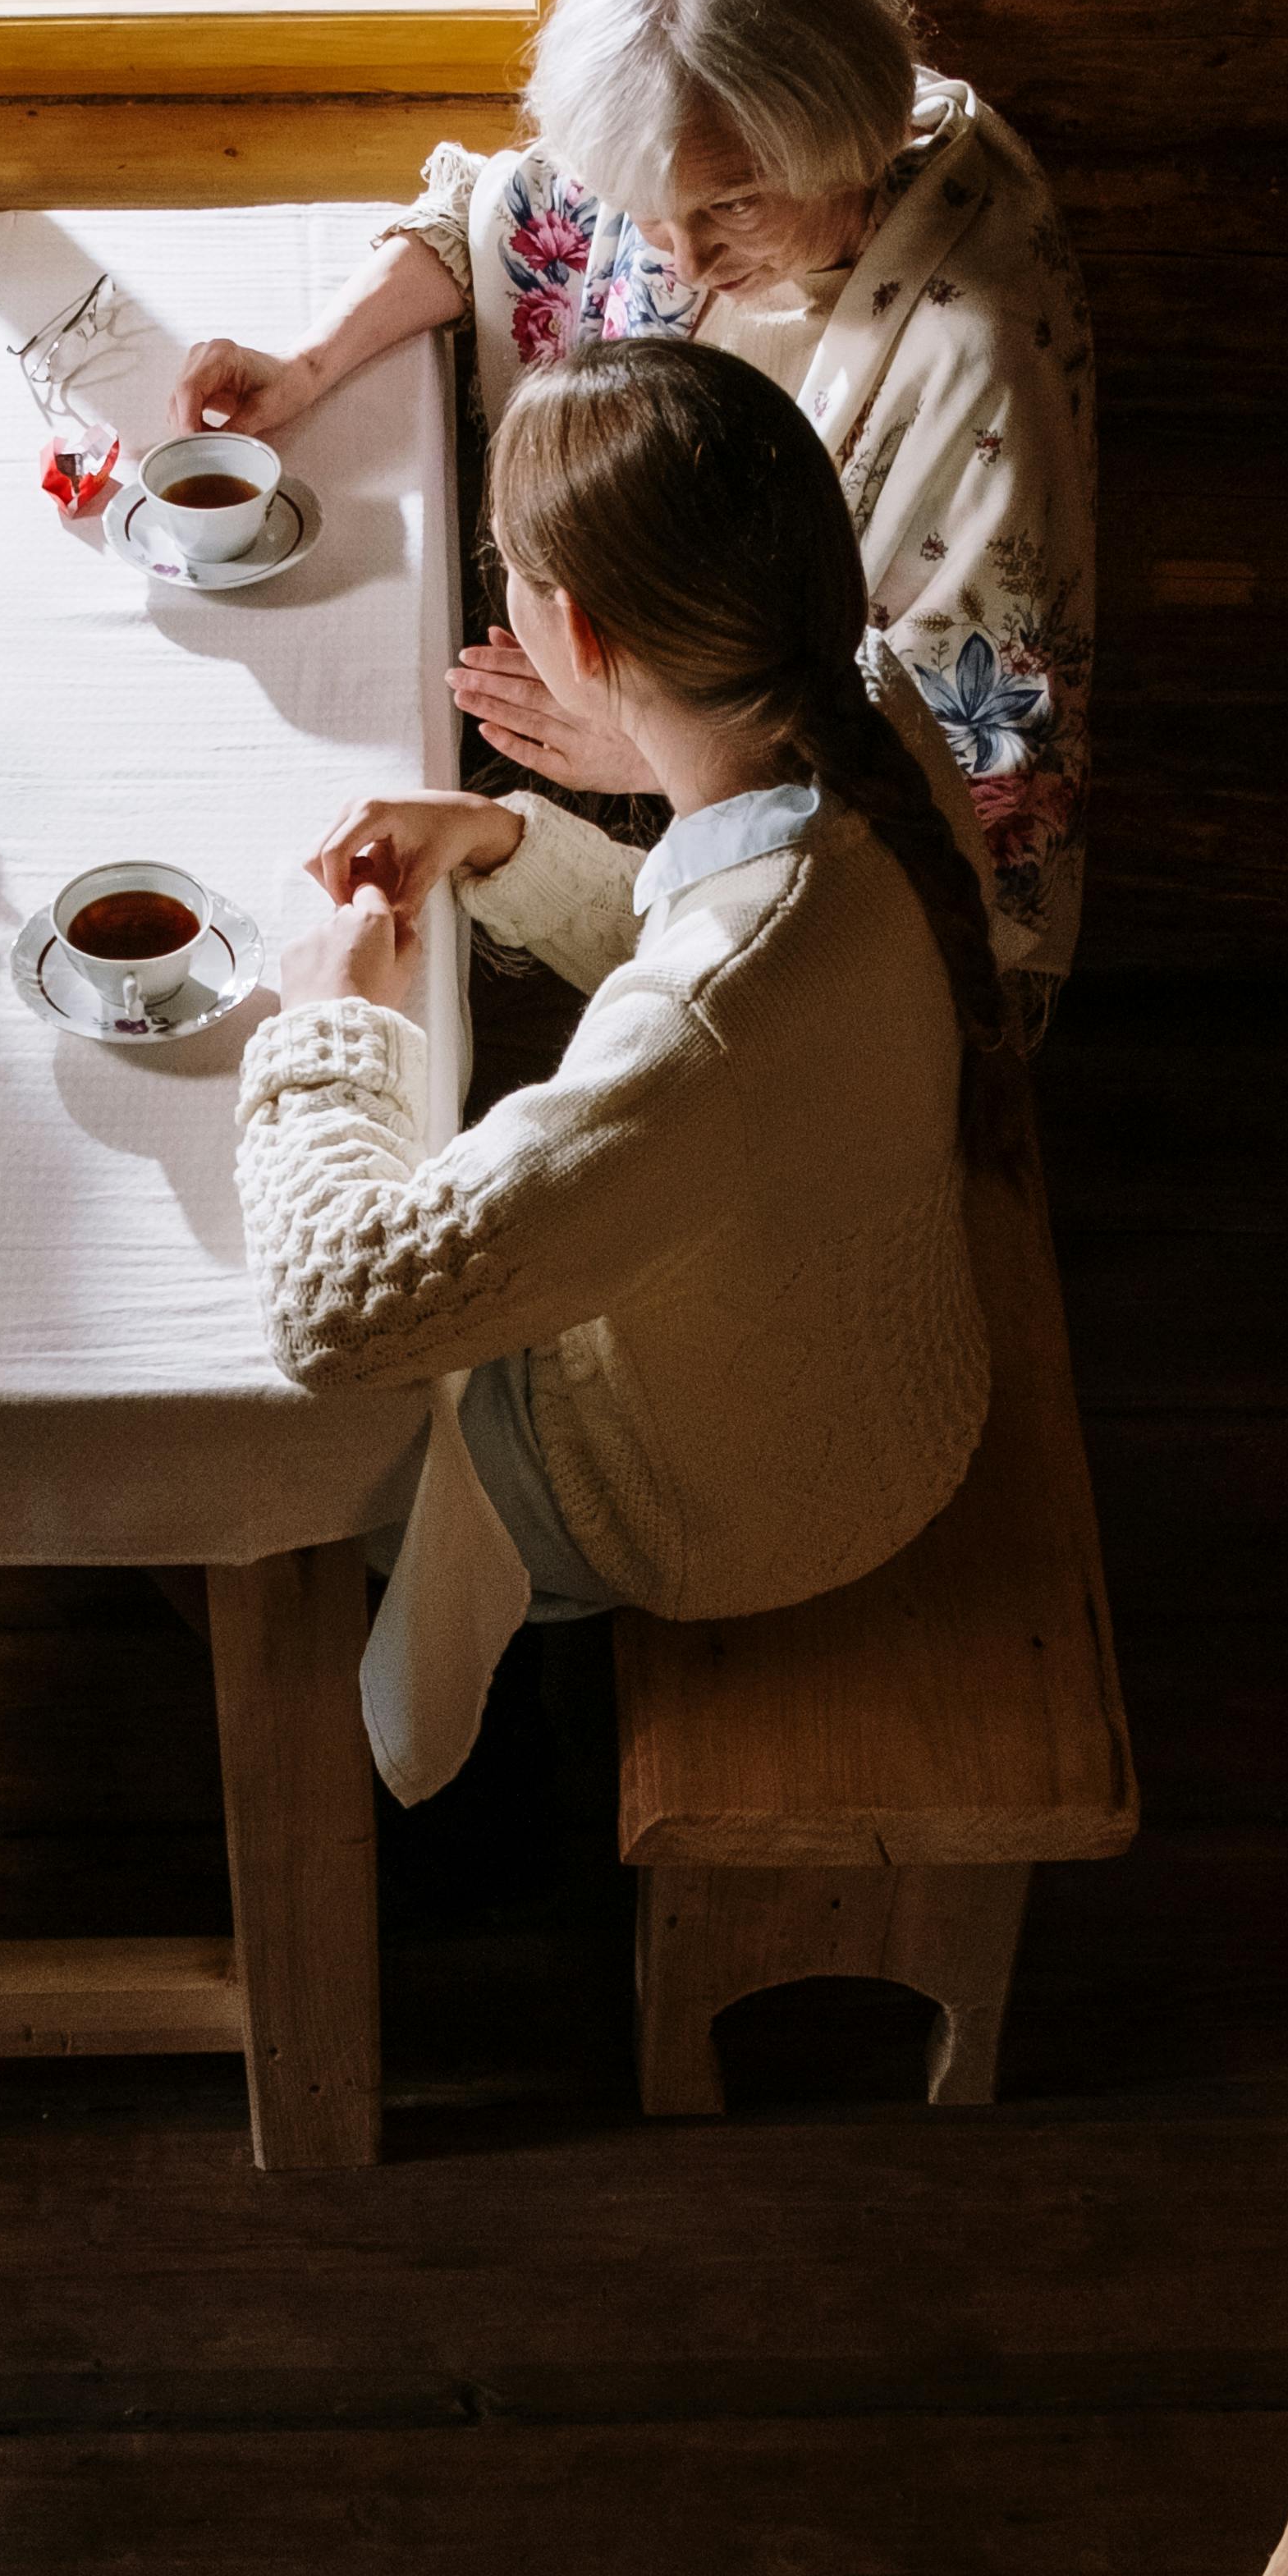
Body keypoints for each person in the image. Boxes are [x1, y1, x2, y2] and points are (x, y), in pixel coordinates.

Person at [236, 341, 1010, 1789]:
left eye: (508, 574)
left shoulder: (717, 1017)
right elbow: (735, 962)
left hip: (727, 1504)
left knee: (265, 1468)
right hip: (863, 1376)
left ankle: (404, 1809)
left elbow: (340, 1311)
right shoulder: (869, 716)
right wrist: (511, 844)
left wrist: (328, 1029)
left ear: (573, 636)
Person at [172, 0, 1097, 1007]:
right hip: (623, 716)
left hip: (781, 863)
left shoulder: (973, 350)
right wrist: (306, 366)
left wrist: (666, 748)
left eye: (737, 206)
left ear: (840, 133)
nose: (687, 259)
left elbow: (978, 767)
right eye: (651, 213)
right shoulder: (682, 138)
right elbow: (497, 215)